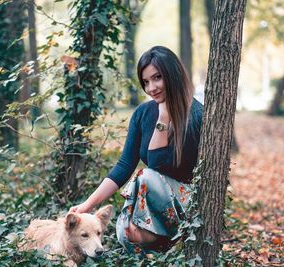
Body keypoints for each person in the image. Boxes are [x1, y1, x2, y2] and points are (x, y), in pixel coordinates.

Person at [70, 46, 203, 255]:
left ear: (173, 74)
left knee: (147, 176)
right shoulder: (142, 113)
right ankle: (165, 241)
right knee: (124, 234)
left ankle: (172, 236)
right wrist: (87, 205)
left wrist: (163, 118)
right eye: (146, 82)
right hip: (151, 203)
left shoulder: (197, 115)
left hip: (187, 202)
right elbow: (124, 165)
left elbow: (157, 166)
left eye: (157, 78)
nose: (151, 88)